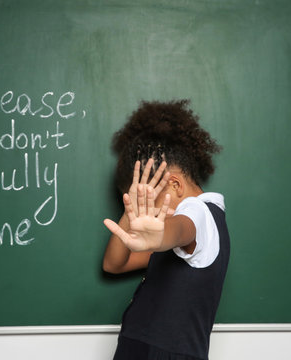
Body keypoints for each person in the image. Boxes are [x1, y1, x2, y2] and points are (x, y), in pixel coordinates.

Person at [103, 99, 230, 360]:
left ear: (174, 185)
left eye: (150, 199)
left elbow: (181, 229)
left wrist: (160, 235)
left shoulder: (199, 213)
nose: (145, 209)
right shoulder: (172, 246)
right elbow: (113, 264)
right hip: (138, 347)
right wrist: (131, 208)